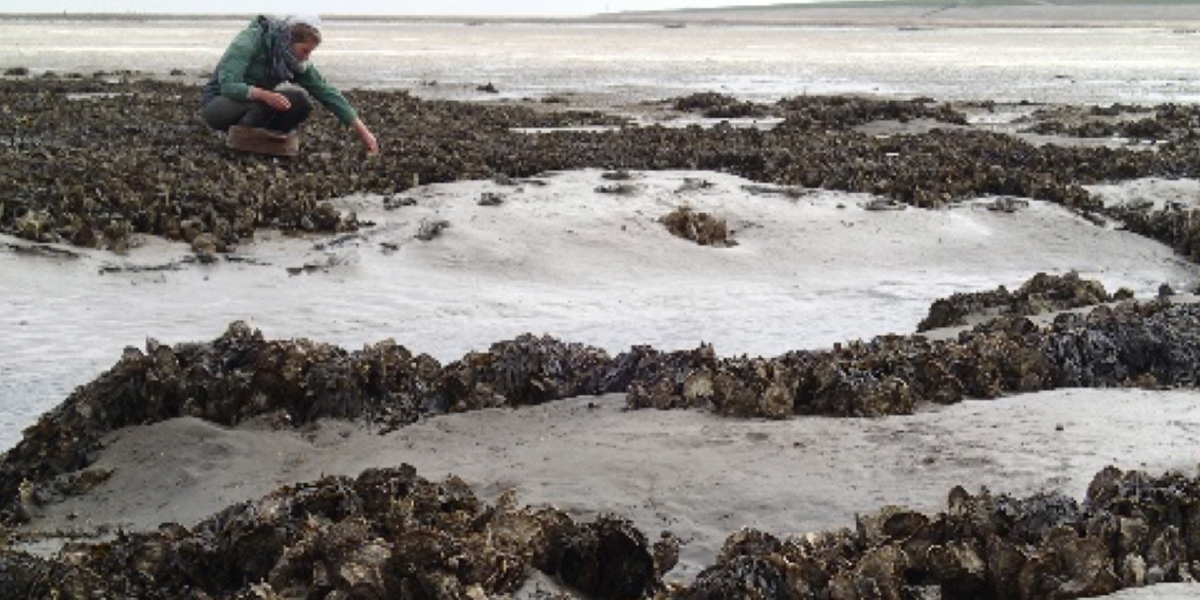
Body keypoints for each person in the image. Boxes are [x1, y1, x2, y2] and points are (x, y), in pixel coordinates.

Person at [200, 14, 379, 154]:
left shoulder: (293, 61)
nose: (306, 57)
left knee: (300, 102)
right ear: (289, 40)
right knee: (263, 104)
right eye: (305, 50)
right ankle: (242, 143)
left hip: (254, 103)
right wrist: (265, 95)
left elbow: (327, 93)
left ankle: (263, 142)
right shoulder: (251, 40)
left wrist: (364, 133)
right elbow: (228, 85)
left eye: (310, 52)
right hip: (218, 104)